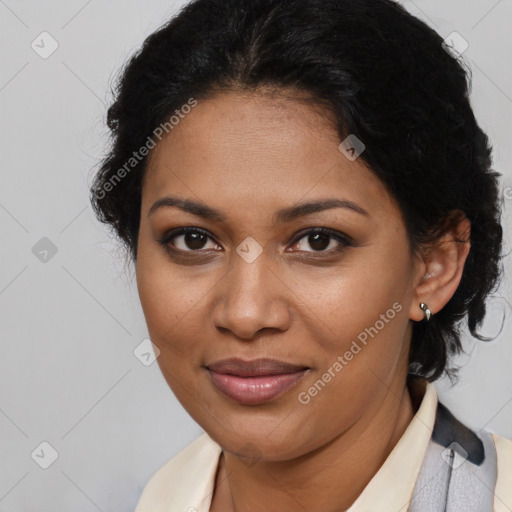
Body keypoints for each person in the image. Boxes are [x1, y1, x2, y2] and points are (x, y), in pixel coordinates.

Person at [89, 0, 511, 510]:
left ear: (434, 265)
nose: (245, 313)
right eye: (193, 239)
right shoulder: (162, 497)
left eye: (318, 240)